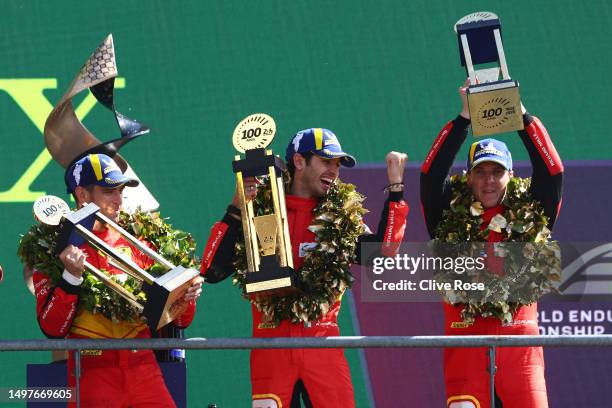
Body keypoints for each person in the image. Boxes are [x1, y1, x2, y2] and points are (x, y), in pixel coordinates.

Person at [200, 128, 409, 408]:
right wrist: (236, 207)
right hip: (270, 351)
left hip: (323, 347)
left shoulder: (340, 219)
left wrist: (396, 190)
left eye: (338, 164)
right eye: (326, 161)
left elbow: (383, 251)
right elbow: (211, 271)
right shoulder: (261, 210)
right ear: (299, 162)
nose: (334, 171)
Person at [420, 82, 563, 408]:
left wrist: (520, 114)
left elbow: (552, 171)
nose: (488, 180)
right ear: (468, 177)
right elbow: (431, 175)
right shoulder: (446, 220)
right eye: (480, 171)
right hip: (465, 350)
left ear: (511, 175)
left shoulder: (532, 216)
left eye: (496, 172)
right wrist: (463, 118)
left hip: (521, 354)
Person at [31, 153, 203, 408]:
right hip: (92, 371)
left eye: (121, 191)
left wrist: (186, 297)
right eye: (109, 191)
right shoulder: (53, 252)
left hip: (143, 368)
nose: (119, 200)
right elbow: (52, 329)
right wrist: (71, 278)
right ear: (82, 194)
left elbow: (180, 320)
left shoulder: (140, 245)